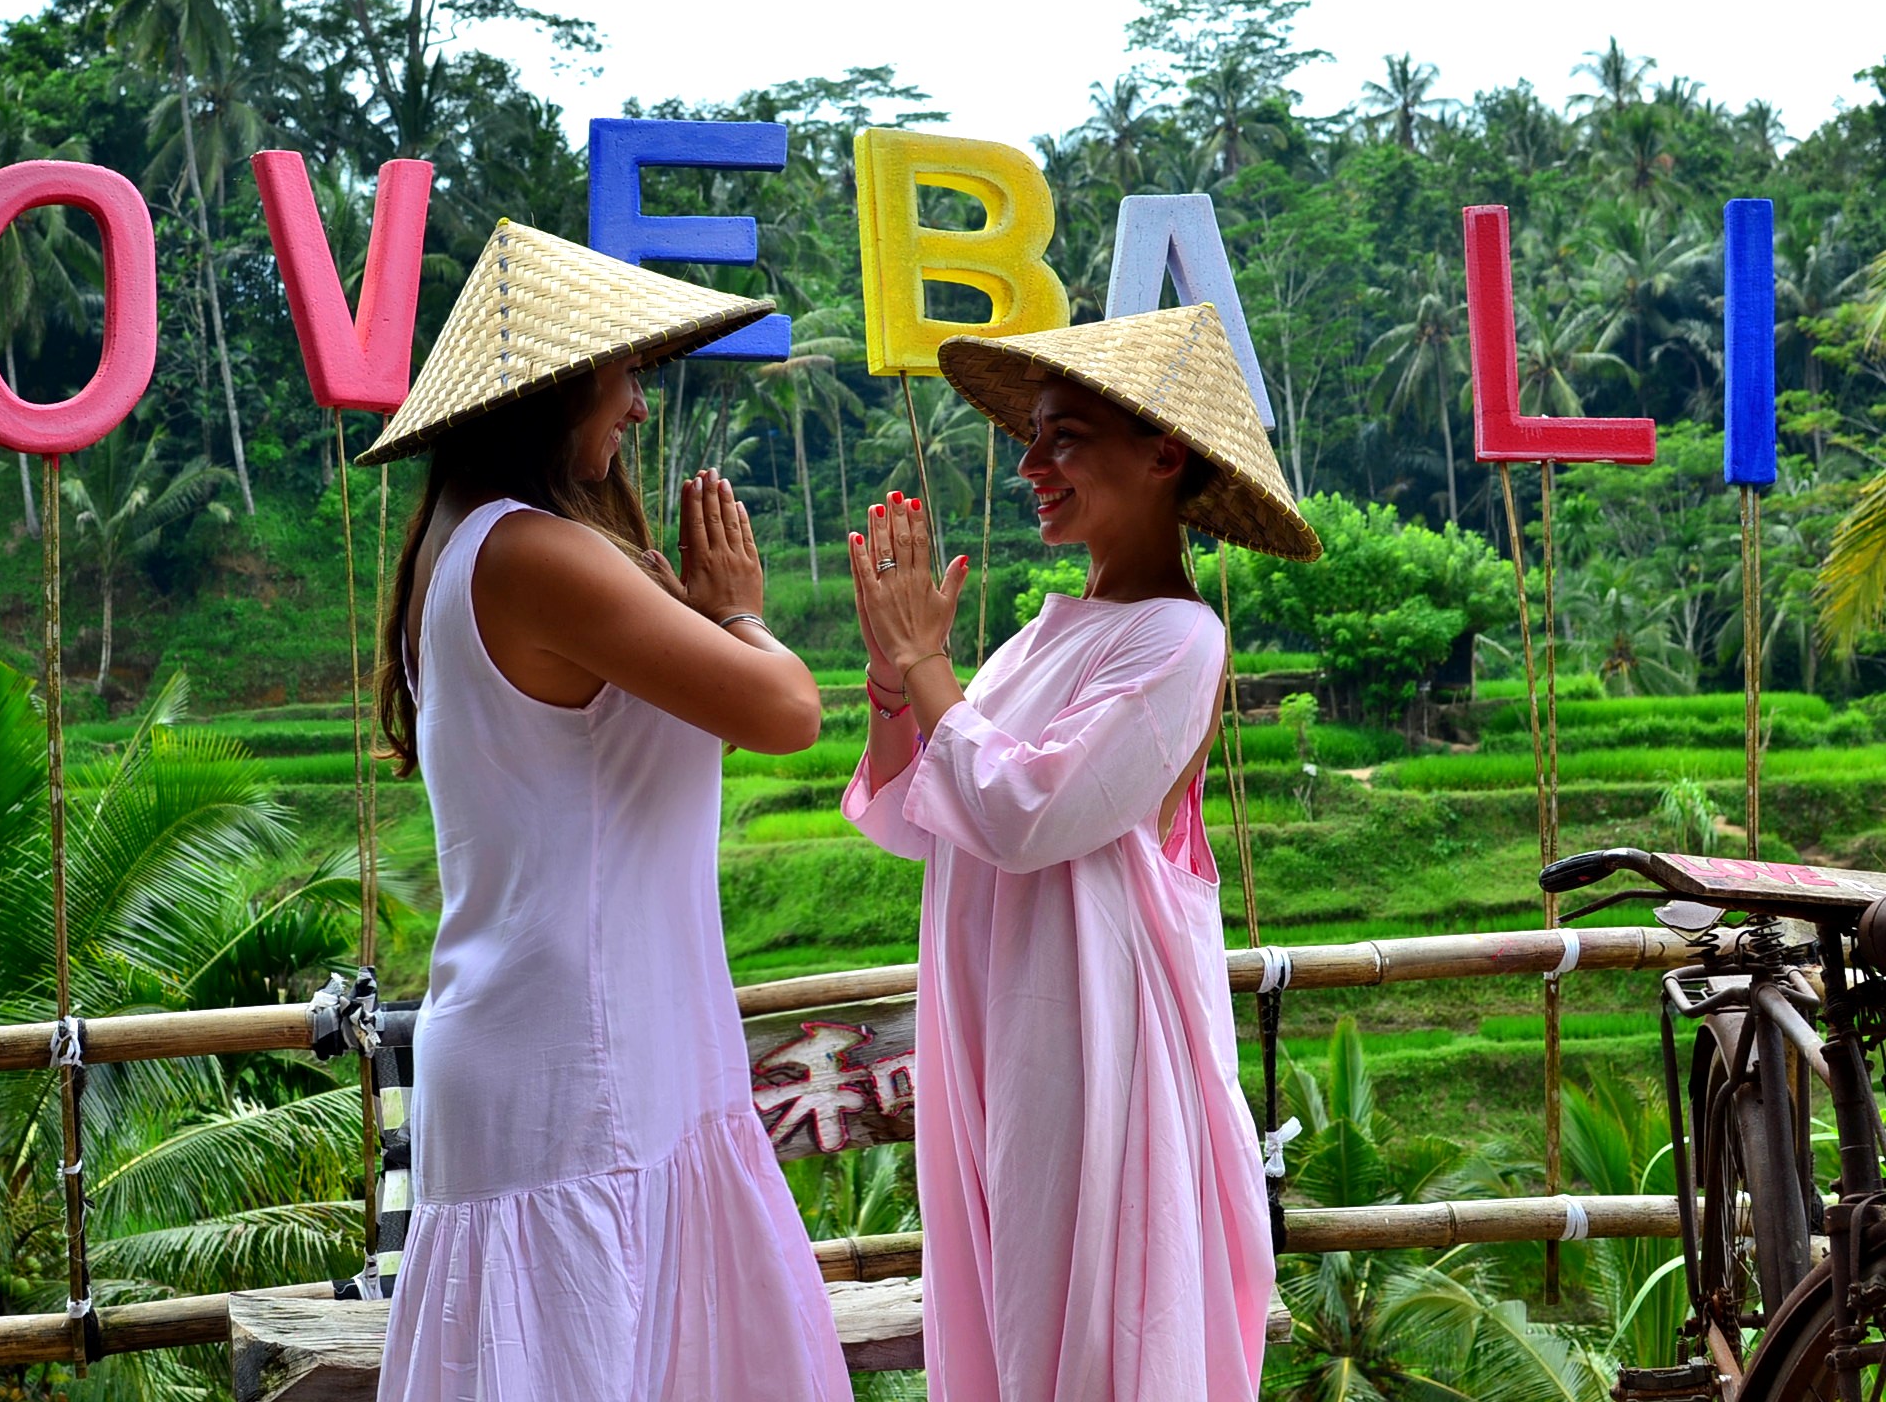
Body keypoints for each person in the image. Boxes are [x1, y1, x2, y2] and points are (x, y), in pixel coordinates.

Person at [360, 220, 852, 1402]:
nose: (637, 404)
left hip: (576, 1047)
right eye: (623, 374)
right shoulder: (532, 553)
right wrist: (737, 612)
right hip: (586, 1065)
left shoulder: (458, 544)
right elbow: (788, 710)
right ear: (556, 389)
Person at [841, 304, 1321, 1400]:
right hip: (1001, 1025)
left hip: (1086, 1042)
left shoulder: (1178, 639)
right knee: (1012, 1308)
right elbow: (924, 810)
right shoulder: (1040, 638)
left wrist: (927, 665)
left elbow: (1024, 812)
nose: (1031, 466)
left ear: (1163, 456)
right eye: (1033, 437)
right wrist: (893, 676)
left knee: (1084, 1326)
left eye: (1063, 438)